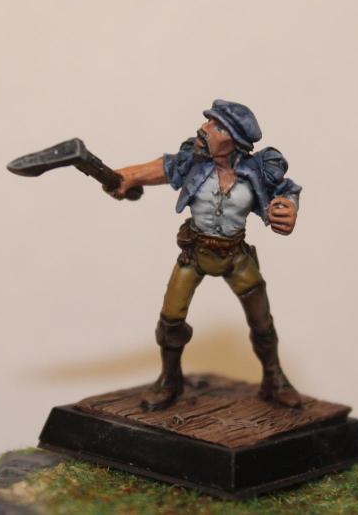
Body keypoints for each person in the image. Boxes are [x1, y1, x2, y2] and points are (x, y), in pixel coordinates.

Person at [108, 99, 303, 410]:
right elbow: (163, 167)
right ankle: (170, 380)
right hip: (194, 254)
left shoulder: (256, 172)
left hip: (235, 257)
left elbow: (285, 190)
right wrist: (128, 176)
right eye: (208, 121)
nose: (204, 128)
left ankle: (274, 378)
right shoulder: (194, 162)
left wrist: (288, 207)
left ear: (235, 140)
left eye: (217, 126)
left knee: (261, 321)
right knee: (170, 320)